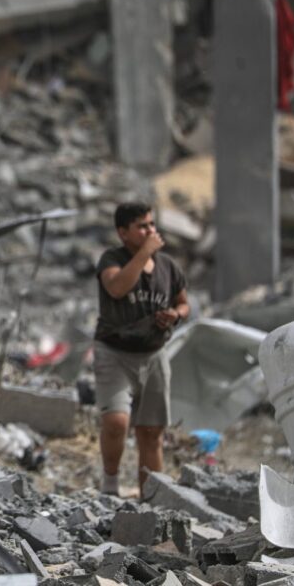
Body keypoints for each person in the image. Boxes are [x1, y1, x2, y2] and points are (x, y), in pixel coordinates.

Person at [94, 202, 189, 496]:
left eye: (151, 224)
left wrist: (176, 314)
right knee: (116, 421)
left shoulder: (168, 267)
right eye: (142, 227)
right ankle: (110, 486)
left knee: (150, 432)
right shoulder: (112, 259)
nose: (151, 231)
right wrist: (145, 252)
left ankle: (151, 499)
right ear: (123, 233)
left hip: (153, 354)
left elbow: (184, 302)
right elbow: (117, 288)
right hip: (114, 352)